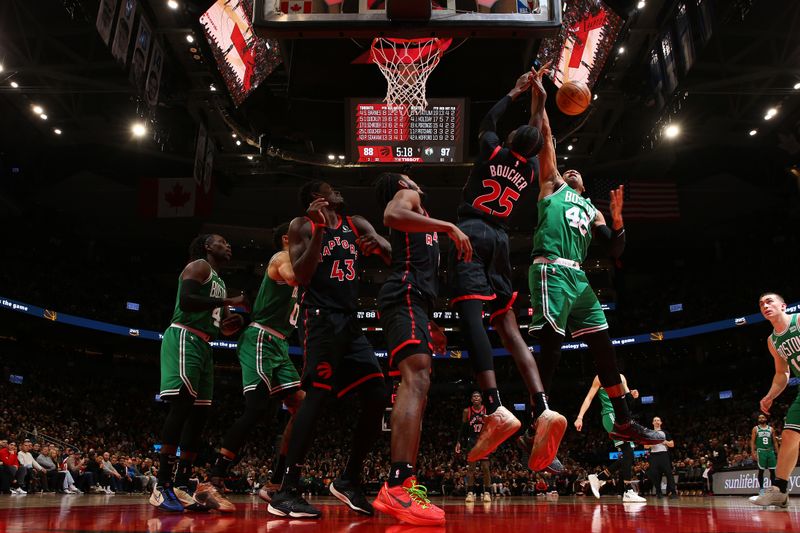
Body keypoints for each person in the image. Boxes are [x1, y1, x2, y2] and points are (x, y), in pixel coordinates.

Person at [447, 63, 565, 471]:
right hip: (501, 241)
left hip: (473, 232)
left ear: (513, 138)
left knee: (470, 315)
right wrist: (540, 101)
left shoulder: (494, 149)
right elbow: (537, 133)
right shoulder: (531, 170)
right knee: (508, 325)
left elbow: (488, 119)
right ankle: (542, 406)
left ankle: (495, 405)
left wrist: (516, 92)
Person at [528, 99, 665, 449]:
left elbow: (614, 250)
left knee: (605, 348)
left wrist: (619, 226)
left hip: (579, 278)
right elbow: (544, 135)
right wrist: (539, 100)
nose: (571, 170)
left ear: (585, 187)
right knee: (550, 346)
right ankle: (536, 423)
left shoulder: (591, 209)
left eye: (577, 172)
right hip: (551, 269)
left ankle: (623, 422)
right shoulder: (552, 186)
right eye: (566, 168)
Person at [268, 181, 391, 519]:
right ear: (316, 199)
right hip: (320, 320)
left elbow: (391, 255)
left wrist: (380, 243)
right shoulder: (302, 226)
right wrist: (320, 230)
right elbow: (304, 276)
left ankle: (349, 479)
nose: (339, 191)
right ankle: (286, 490)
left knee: (378, 392)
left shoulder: (357, 223)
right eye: (330, 189)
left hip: (350, 323)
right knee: (316, 397)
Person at [370, 173, 468, 526]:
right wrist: (448, 227)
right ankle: (397, 485)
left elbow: (406, 259)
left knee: (420, 382)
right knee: (417, 379)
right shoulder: (407, 199)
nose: (414, 180)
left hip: (416, 303)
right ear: (400, 182)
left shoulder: (418, 213)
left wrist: (431, 324)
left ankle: (405, 483)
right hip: (405, 297)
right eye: (408, 177)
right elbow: (390, 217)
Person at [209, 223, 306, 509]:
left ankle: (276, 482)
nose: (311, 239)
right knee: (256, 407)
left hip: (279, 344)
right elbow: (293, 277)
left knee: (303, 405)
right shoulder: (282, 258)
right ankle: (215, 476)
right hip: (260, 337)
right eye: (306, 235)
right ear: (287, 239)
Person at [150, 234, 246, 513]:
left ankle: (181, 482)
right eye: (222, 241)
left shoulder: (220, 280)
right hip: (184, 336)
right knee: (181, 405)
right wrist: (229, 300)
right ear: (207, 246)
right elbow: (188, 300)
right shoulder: (199, 266)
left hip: (205, 343)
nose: (228, 245)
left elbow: (222, 326)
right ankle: (162, 484)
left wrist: (233, 322)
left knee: (200, 414)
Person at [751, 292, 800, 508]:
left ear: (783, 305)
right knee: (789, 434)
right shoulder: (773, 341)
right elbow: (782, 374)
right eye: (761, 304)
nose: (765, 305)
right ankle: (779, 490)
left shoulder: (798, 320)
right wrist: (770, 395)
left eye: (769, 301)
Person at [574, 374, 646, 502]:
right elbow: (589, 397)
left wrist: (633, 395)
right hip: (610, 415)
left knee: (628, 455)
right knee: (628, 452)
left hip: (623, 417)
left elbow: (629, 402)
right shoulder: (600, 377)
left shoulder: (622, 377)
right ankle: (628, 490)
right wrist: (580, 417)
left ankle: (598, 477)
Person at [456, 391, 493, 503]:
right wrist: (458, 441)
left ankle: (487, 492)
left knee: (486, 468)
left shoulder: (487, 410)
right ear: (471, 400)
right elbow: (463, 428)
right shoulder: (467, 411)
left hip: (484, 443)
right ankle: (470, 493)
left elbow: (492, 427)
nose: (476, 398)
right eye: (474, 396)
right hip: (472, 443)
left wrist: (494, 442)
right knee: (471, 469)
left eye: (478, 396)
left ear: (481, 399)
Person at [645, 417, 677, 498]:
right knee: (655, 475)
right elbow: (645, 446)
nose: (656, 421)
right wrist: (654, 443)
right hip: (653, 455)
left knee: (669, 474)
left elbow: (672, 444)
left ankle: (672, 492)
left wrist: (663, 441)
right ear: (652, 423)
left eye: (658, 420)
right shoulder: (649, 433)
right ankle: (658, 493)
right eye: (655, 420)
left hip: (664, 454)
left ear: (661, 422)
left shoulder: (665, 432)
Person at [751, 413, 780, 496]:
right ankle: (761, 490)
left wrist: (778, 453)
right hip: (761, 451)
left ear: (766, 419)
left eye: (763, 417)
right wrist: (753, 452)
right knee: (761, 471)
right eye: (759, 418)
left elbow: (774, 442)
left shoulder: (771, 429)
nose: (761, 419)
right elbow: (752, 442)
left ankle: (774, 489)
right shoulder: (755, 429)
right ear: (758, 420)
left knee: (772, 471)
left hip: (770, 451)